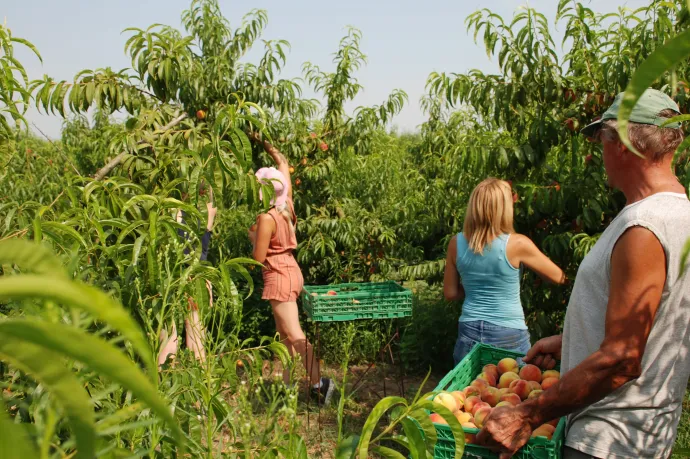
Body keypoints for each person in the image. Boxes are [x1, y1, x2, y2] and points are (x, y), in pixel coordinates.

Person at [477, 88, 690, 459]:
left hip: (608, 438)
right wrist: (572, 339)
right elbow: (655, 321)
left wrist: (528, 414)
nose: (599, 153)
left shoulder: (643, 227)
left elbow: (623, 358)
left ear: (622, 143)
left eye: (601, 139)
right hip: (641, 435)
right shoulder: (678, 215)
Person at [248, 132, 335, 405]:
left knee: (295, 335)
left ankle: (322, 385)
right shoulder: (286, 206)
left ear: (261, 190)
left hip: (278, 275)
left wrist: (252, 237)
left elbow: (258, 258)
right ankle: (285, 387)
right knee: (285, 335)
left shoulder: (266, 218)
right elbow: (283, 162)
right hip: (291, 270)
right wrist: (263, 139)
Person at [444, 178, 566, 367]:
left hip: (469, 327)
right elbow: (558, 277)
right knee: (510, 389)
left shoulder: (456, 243)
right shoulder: (517, 244)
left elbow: (450, 293)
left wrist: (477, 287)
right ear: (503, 209)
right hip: (508, 331)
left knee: (468, 392)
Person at [158, 196, 216, 366]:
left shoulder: (171, 206)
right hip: (198, 276)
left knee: (168, 338)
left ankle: (163, 386)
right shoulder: (209, 207)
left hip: (172, 277)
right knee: (196, 339)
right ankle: (200, 385)